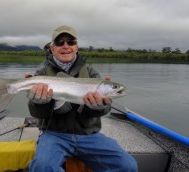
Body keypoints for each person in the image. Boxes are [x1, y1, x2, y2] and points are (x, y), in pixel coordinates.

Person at [27, 25, 137, 172]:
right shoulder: (42, 73)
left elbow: (105, 108)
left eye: (70, 42)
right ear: (52, 49)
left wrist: (99, 107)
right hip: (54, 134)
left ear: (76, 47)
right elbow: (36, 113)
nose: (65, 46)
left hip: (88, 135)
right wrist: (40, 103)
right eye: (60, 42)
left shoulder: (91, 72)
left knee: (128, 166)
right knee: (42, 167)